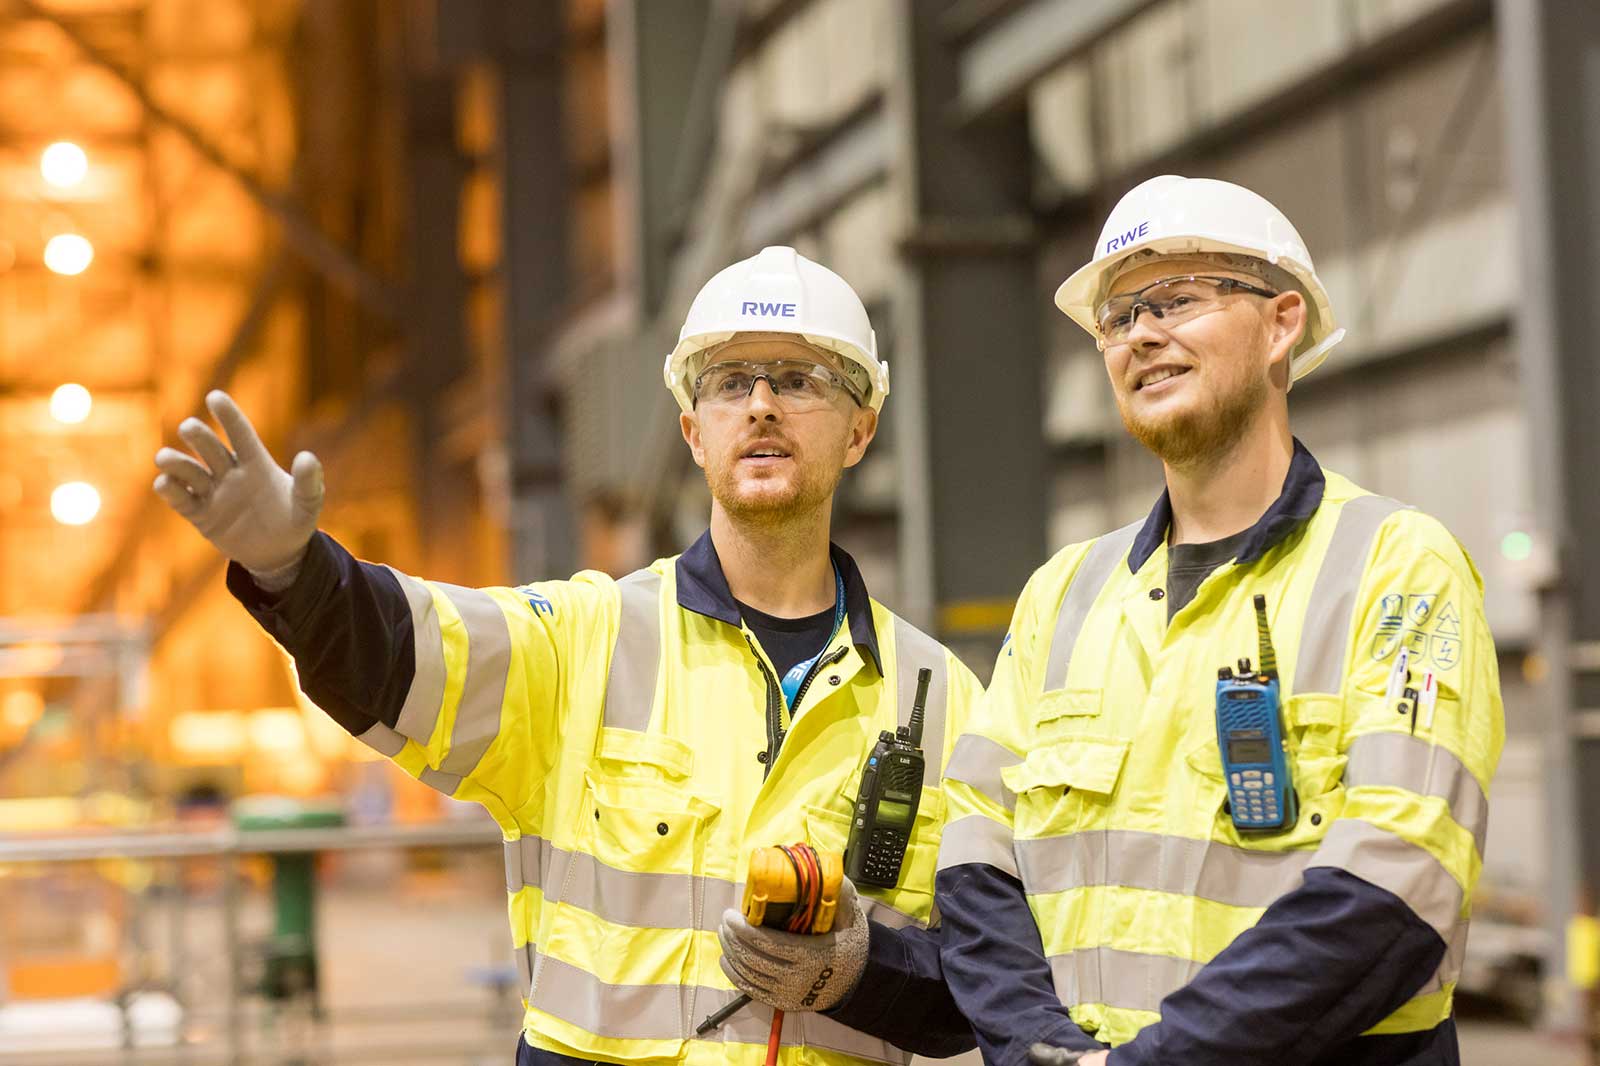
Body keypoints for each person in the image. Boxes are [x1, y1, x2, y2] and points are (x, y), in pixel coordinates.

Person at [153, 246, 980, 1066]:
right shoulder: (586, 640)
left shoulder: (942, 699)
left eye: (799, 381)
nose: (761, 405)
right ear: (694, 433)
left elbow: (986, 980)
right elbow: (401, 649)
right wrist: (295, 573)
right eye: (731, 383)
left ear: (861, 429)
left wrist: (861, 972)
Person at [934, 176, 1503, 1066]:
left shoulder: (1396, 567)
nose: (1142, 335)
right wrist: (1035, 1049)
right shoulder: (1063, 594)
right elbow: (973, 860)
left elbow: (1400, 878)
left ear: (1281, 323)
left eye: (1178, 299)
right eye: (1119, 317)